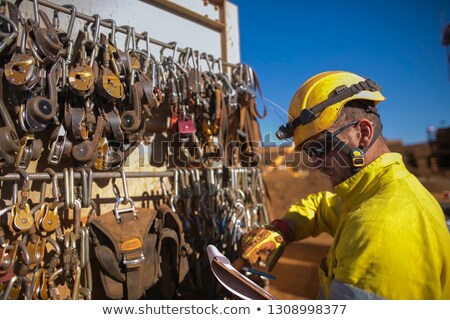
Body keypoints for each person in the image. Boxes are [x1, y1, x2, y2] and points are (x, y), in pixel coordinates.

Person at [241, 71, 450, 299]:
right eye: (310, 153)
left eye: (320, 149)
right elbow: (321, 208)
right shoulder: (367, 194)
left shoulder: (382, 228)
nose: (316, 164)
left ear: (363, 133)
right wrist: (284, 228)